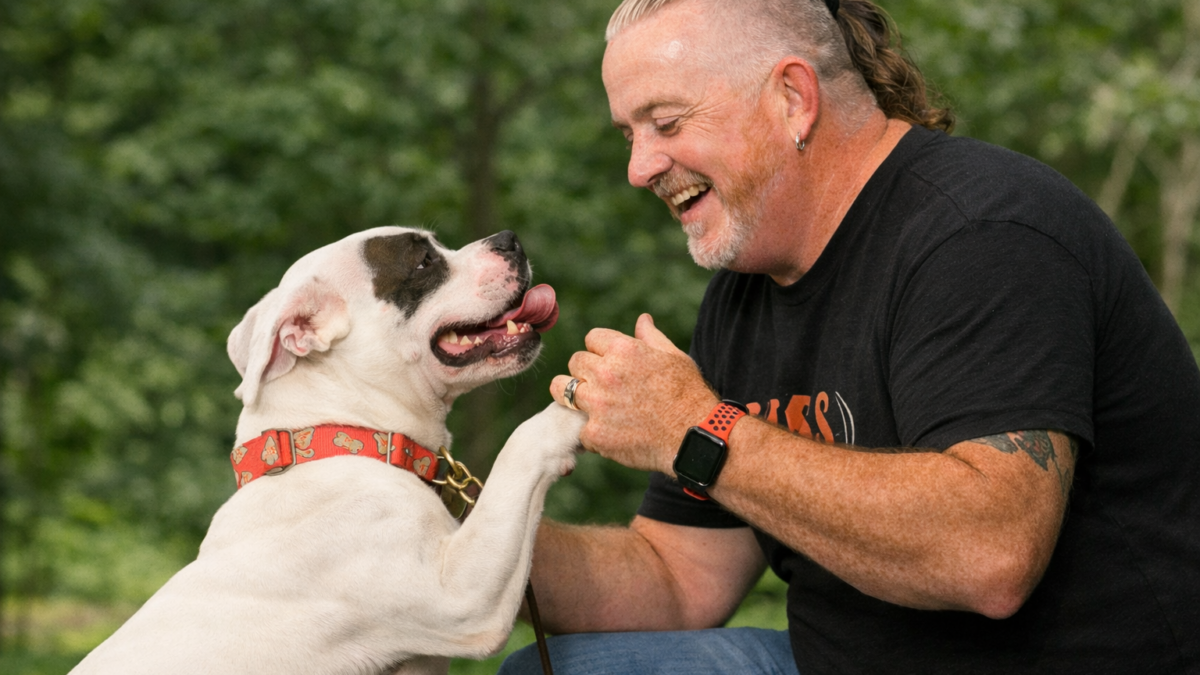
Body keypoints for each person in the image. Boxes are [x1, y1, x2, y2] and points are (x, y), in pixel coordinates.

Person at [499, 0, 1200, 672]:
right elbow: (678, 581)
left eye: (667, 122)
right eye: (630, 134)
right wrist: (461, 514)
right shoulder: (741, 296)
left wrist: (695, 427)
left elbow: (990, 555)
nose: (639, 167)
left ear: (793, 98)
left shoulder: (984, 232)